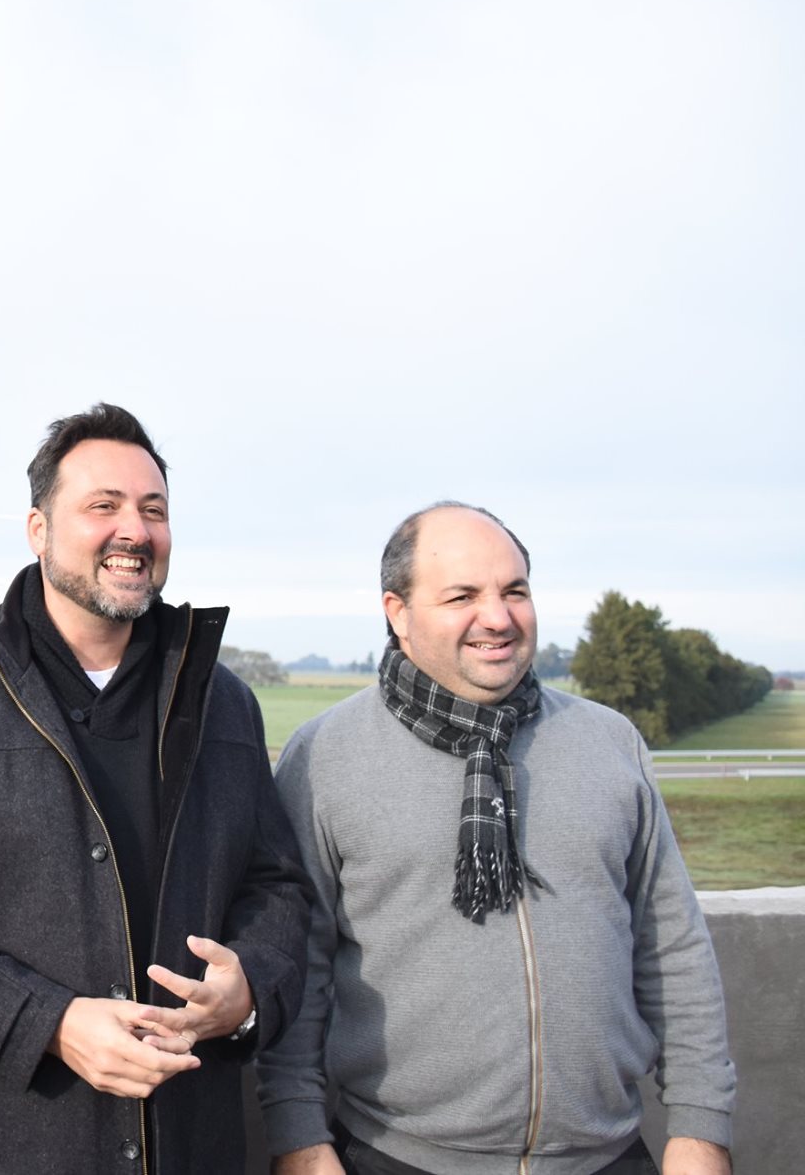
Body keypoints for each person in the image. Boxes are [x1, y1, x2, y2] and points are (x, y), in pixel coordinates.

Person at [0, 402, 312, 1175]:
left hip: (189, 1143)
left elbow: (276, 886)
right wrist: (50, 1023)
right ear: (39, 529)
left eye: (153, 509)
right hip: (1, 1144)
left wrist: (248, 987)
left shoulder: (225, 702)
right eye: (104, 505)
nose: (135, 529)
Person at [257, 503, 736, 1175]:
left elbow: (673, 945)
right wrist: (299, 1137)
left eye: (515, 590)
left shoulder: (609, 742)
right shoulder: (325, 756)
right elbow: (296, 966)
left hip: (609, 1157)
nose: (499, 616)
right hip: (397, 1157)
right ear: (397, 610)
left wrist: (700, 1128)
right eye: (463, 595)